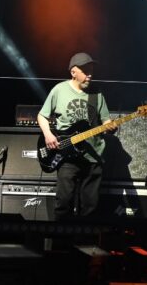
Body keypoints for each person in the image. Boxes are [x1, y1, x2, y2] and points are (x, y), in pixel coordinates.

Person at [37, 52, 111, 221]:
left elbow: (106, 121)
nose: (90, 74)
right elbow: (42, 116)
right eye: (85, 70)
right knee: (63, 203)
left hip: (93, 156)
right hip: (67, 156)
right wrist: (48, 135)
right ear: (73, 72)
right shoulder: (59, 90)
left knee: (90, 208)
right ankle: (62, 237)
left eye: (91, 70)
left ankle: (87, 237)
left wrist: (110, 127)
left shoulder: (97, 94)